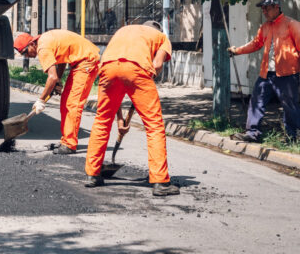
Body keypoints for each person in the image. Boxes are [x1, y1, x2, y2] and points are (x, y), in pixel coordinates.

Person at [84, 21, 180, 196]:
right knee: (154, 125)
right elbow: (157, 65)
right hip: (137, 69)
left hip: (107, 67)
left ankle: (92, 174)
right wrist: (143, 82)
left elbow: (117, 72)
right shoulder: (161, 37)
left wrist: (119, 118)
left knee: (102, 120)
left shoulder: (124, 30)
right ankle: (160, 182)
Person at [228, 0, 300, 143]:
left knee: (289, 105)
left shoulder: (292, 24)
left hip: (287, 73)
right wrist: (237, 50)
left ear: (277, 7)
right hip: (267, 73)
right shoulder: (265, 26)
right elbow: (255, 44)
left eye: (267, 8)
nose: (264, 11)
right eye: (263, 9)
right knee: (256, 101)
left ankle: (293, 137)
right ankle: (252, 133)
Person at [13, 30, 100, 154]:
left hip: (86, 62)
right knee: (65, 102)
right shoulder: (44, 41)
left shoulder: (42, 48)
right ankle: (66, 140)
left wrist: (41, 100)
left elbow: (51, 77)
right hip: (81, 62)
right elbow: (62, 60)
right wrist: (58, 81)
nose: (26, 56)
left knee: (72, 104)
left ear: (32, 44)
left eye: (25, 52)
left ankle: (69, 144)